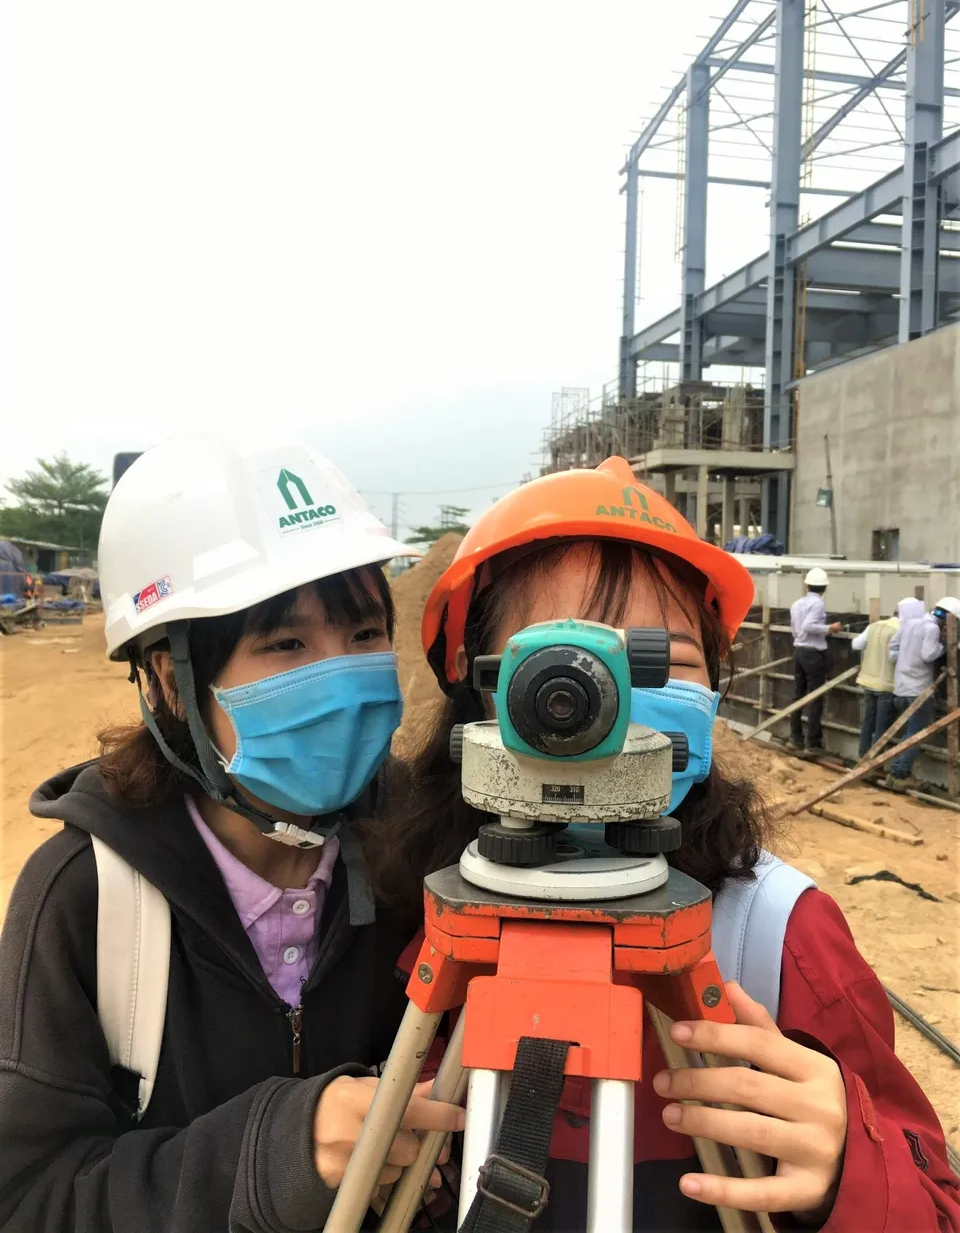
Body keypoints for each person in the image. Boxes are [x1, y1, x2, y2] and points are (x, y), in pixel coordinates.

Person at [367, 457, 959, 1231]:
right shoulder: (422, 906)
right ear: (477, 685)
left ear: (717, 684)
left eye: (660, 661)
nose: (610, 703)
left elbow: (934, 1206)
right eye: (565, 663)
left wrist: (850, 1164)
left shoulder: (779, 938)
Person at [0, 433, 464, 1232]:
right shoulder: (86, 898)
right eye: (286, 644)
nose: (344, 677)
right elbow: (30, 1197)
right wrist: (273, 1155)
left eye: (361, 637)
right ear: (169, 681)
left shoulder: (426, 850)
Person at [886, 596, 960, 789]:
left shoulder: (911, 623)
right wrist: (945, 646)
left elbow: (893, 648)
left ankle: (897, 772)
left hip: (901, 687)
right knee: (915, 734)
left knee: (909, 731)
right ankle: (899, 773)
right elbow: (929, 654)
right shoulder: (932, 628)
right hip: (918, 690)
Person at [787, 567, 842, 753]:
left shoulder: (796, 604)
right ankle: (813, 743)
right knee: (815, 697)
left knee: (798, 694)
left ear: (807, 585)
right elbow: (808, 626)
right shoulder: (817, 604)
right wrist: (830, 628)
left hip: (800, 650)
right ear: (824, 588)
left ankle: (795, 738)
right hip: (813, 653)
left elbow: (797, 630)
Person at [850, 601, 904, 758]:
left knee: (868, 721)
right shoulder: (901, 630)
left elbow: (856, 644)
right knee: (882, 725)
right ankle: (875, 761)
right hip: (887, 684)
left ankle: (862, 756)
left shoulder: (874, 625)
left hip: (868, 681)